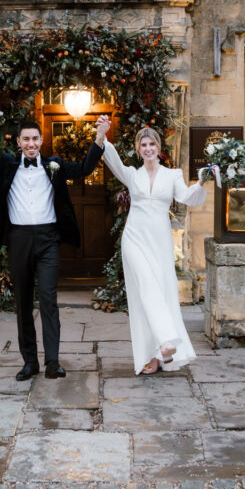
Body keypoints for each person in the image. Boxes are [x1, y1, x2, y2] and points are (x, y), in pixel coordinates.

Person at [0, 111, 104, 380]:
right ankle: (30, 362)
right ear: (18, 142)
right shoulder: (5, 165)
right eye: (25, 139)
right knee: (23, 302)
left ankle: (53, 362)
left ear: (41, 141)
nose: (31, 143)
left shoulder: (55, 165)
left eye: (35, 139)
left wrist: (100, 137)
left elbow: (85, 168)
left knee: (49, 300)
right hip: (18, 240)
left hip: (48, 239)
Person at [93, 115, 208, 374]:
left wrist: (200, 182)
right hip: (134, 239)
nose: (147, 149)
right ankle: (166, 341)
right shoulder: (132, 175)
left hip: (159, 242)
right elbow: (110, 158)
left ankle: (155, 356)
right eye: (143, 145)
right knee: (144, 288)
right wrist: (102, 135)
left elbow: (188, 197)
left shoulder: (173, 175)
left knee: (160, 293)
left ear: (159, 148)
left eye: (152, 145)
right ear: (138, 149)